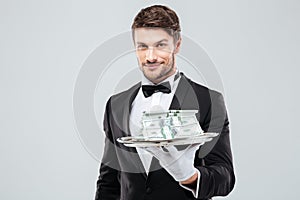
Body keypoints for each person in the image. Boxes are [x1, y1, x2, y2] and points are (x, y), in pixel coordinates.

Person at [95, 5, 235, 200]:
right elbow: (108, 182)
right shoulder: (116, 105)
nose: (150, 57)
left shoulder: (209, 101)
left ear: (177, 44)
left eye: (160, 45)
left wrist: (189, 175)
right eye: (142, 46)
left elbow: (225, 177)